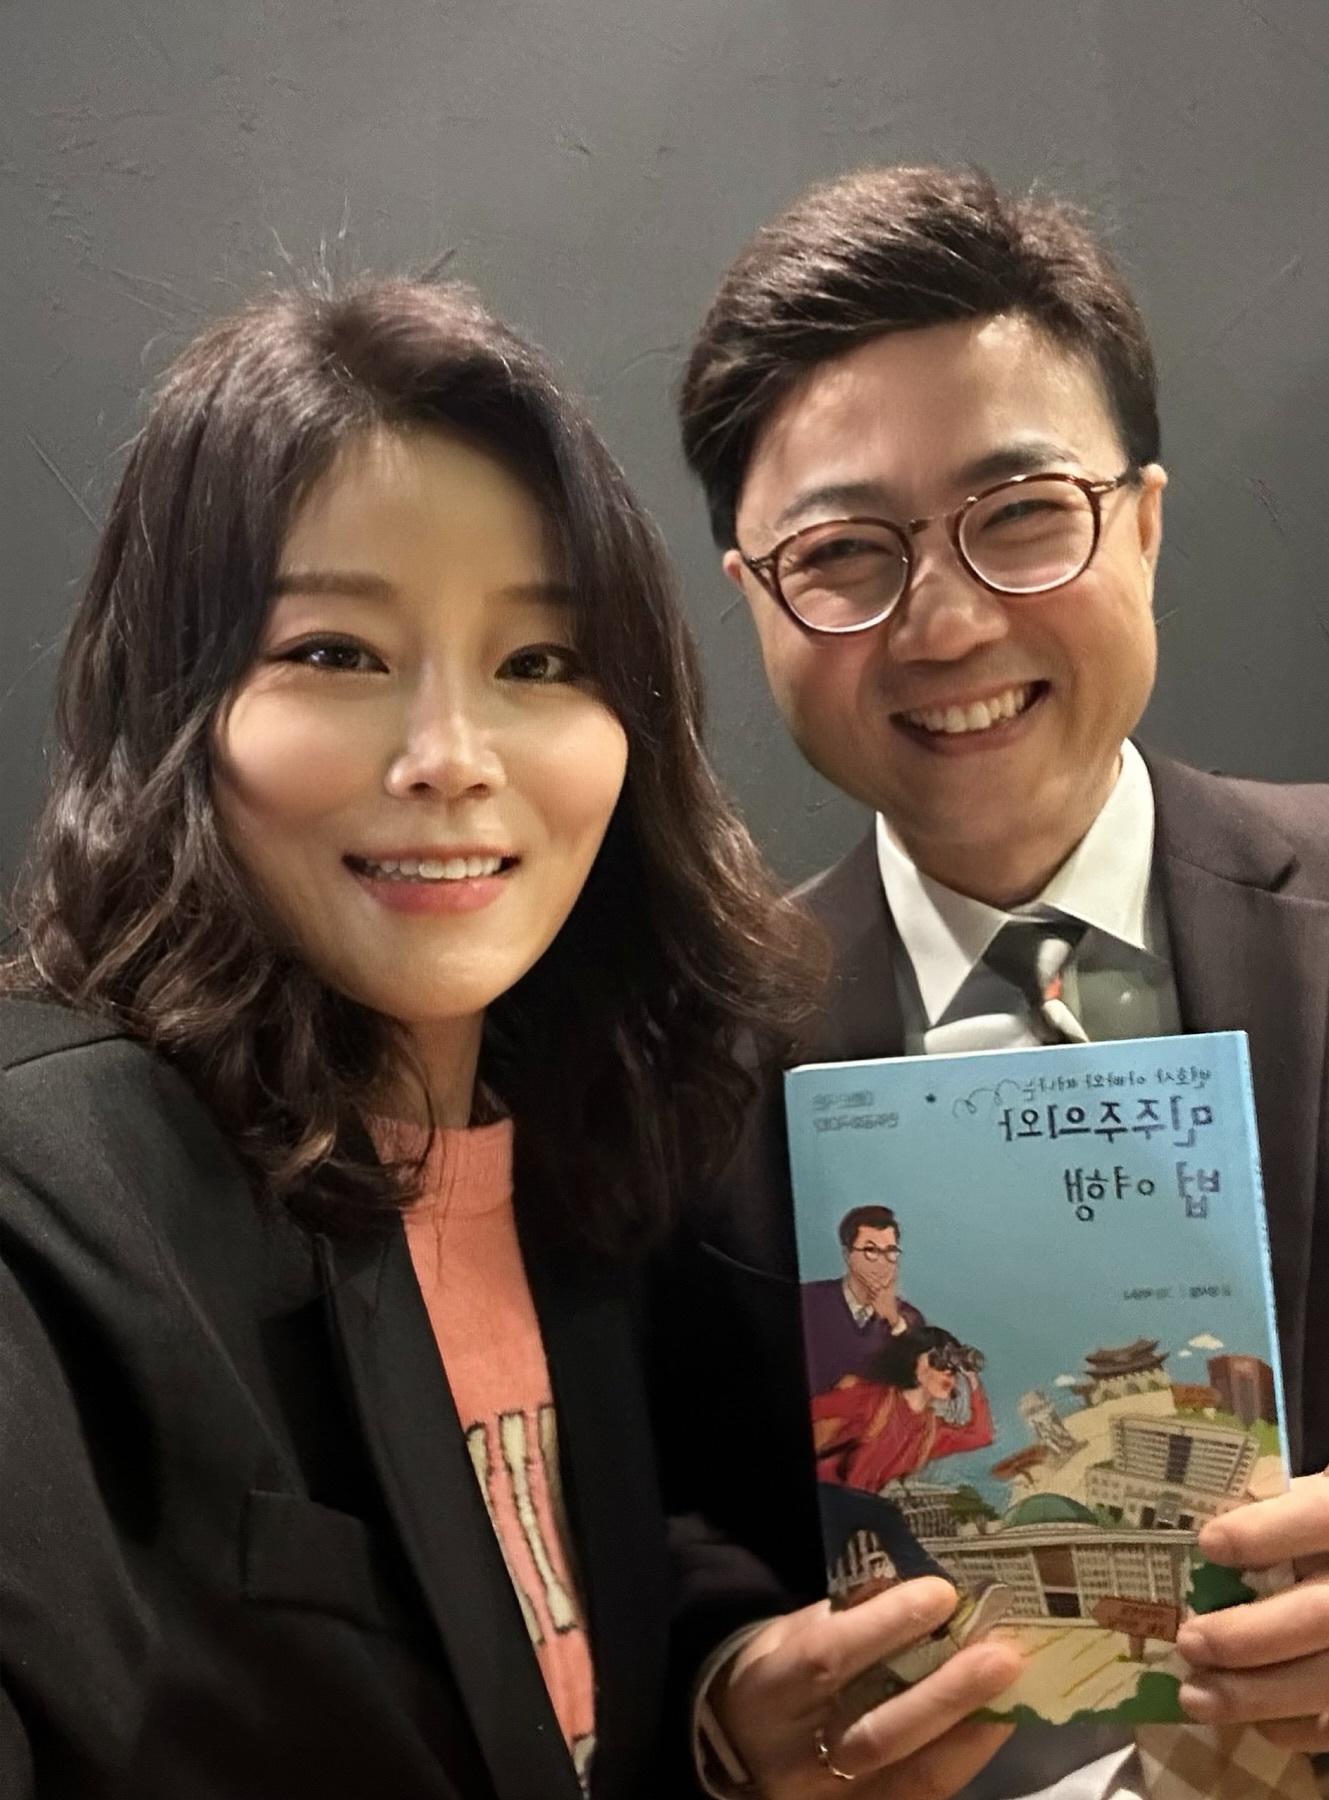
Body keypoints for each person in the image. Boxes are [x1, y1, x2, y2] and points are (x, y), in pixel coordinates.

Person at [658, 165, 1329, 1799]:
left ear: (1143, 523)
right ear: (752, 599)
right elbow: (646, 1516)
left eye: (1021, 515)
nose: (944, 624)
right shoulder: (679, 1058)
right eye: (843, 552)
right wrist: (727, 1704)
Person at [0, 278, 838, 1799]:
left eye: (540, 663)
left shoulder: (589, 1163)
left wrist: (726, 1720)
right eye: (333, 652)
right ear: (171, 705)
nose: (451, 759)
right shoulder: (46, 1194)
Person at [813, 1324, 992, 1584]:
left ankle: (935, 1591)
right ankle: (936, 1584)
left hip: (855, 1505)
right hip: (826, 1493)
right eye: (938, 1361)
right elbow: (815, 1408)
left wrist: (972, 1379)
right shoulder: (873, 1399)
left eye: (953, 1369)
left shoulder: (929, 1432)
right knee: (885, 1515)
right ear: (915, 1363)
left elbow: (981, 1435)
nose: (948, 1373)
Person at [801, 1203, 926, 1393]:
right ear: (847, 1255)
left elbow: (915, 1382)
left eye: (890, 1251)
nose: (882, 1261)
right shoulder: (809, 1299)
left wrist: (894, 1322)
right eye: (871, 1251)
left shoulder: (909, 1320)